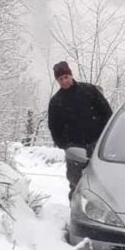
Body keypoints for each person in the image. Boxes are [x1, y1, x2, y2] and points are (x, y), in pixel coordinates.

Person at [48, 61, 113, 199]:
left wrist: (106, 138)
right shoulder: (56, 102)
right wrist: (66, 145)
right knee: (76, 184)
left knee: (102, 182)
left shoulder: (89, 91)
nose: (64, 81)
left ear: (71, 75)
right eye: (60, 79)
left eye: (66, 77)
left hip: (98, 145)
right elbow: (54, 128)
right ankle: (76, 209)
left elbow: (107, 113)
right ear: (57, 81)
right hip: (75, 149)